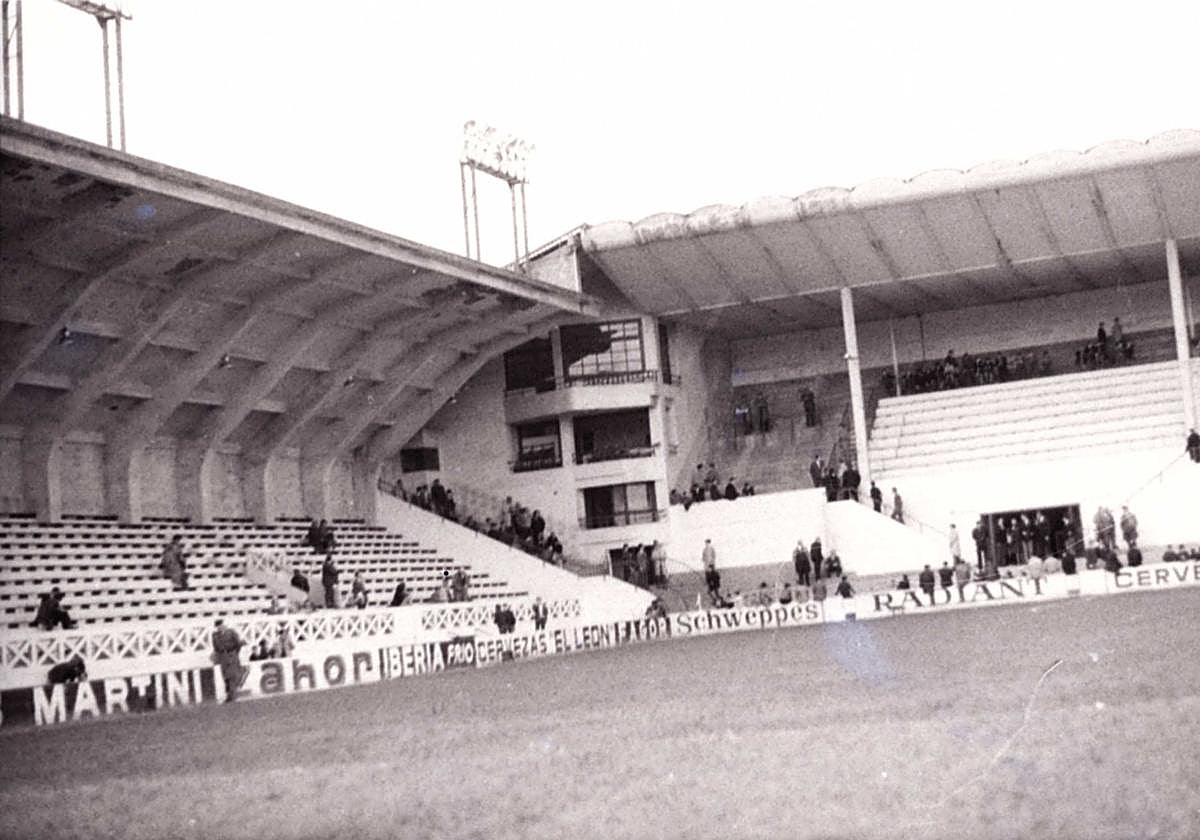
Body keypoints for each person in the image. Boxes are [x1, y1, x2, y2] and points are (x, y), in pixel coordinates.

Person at [211, 619, 247, 701]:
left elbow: (238, 643)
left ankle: (232, 695)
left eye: (221, 626)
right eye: (218, 627)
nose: (219, 628)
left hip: (232, 654)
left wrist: (234, 653)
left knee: (232, 676)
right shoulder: (215, 636)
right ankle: (229, 695)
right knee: (225, 676)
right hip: (223, 656)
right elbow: (216, 647)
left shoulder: (231, 632)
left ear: (224, 625)